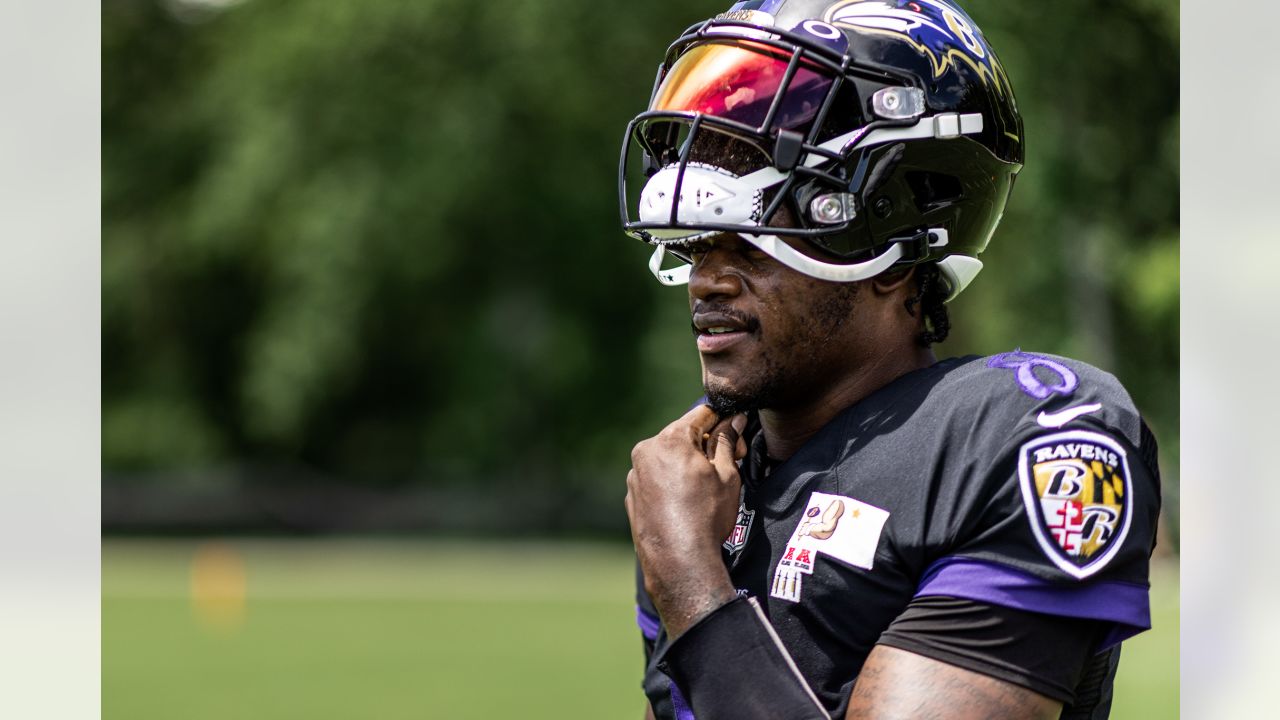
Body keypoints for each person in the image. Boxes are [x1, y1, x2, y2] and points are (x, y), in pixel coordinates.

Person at [616, 1, 1162, 718]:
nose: (707, 281)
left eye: (752, 241)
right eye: (699, 246)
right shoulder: (705, 476)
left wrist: (693, 589)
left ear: (892, 244)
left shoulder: (1022, 433)